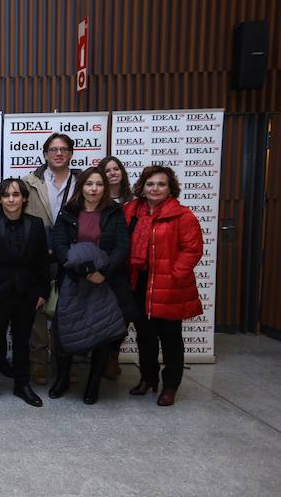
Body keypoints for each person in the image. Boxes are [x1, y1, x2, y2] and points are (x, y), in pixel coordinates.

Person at [49, 168, 136, 404]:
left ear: (104, 188)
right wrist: (80, 270)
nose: (94, 189)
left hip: (104, 282)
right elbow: (58, 244)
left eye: (99, 184)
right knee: (64, 330)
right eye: (89, 184)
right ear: (81, 187)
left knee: (102, 333)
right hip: (74, 280)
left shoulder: (114, 212)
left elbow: (121, 247)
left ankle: (93, 384)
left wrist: (103, 273)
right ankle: (63, 378)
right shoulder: (67, 212)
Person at [125, 166, 203, 406]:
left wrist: (174, 274)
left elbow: (192, 249)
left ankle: (170, 386)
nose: (155, 188)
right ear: (142, 187)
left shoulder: (182, 215)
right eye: (150, 184)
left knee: (170, 338)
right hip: (138, 282)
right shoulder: (130, 211)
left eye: (161, 184)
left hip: (169, 285)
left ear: (170, 189)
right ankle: (148, 378)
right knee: (145, 336)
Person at [0, 179, 50, 408]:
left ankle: (22, 384)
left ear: (24, 198)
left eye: (16, 195)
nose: (11, 199)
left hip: (27, 294)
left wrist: (43, 291)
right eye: (6, 196)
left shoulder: (36, 225)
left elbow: (42, 263)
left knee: (22, 341)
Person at [23, 133, 81, 385]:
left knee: (66, 312)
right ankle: (37, 363)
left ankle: (64, 364)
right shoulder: (28, 183)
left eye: (63, 149)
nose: (58, 153)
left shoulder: (83, 183)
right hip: (37, 258)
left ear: (70, 153)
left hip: (72, 257)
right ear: (45, 153)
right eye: (53, 149)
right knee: (36, 311)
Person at [96, 155, 134, 379]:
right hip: (101, 267)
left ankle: (113, 357)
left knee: (123, 313)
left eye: (116, 169)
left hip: (127, 267)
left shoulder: (134, 202)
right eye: (107, 170)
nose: (112, 173)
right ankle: (99, 357)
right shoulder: (94, 200)